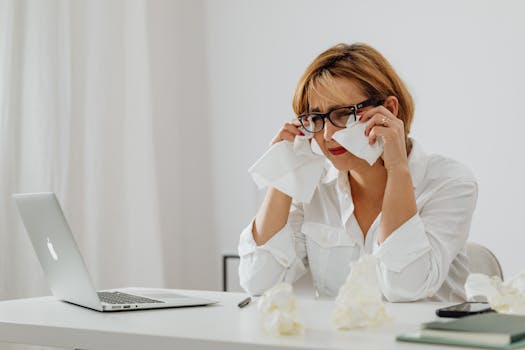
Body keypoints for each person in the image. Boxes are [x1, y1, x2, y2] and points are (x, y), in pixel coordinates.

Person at [238, 43, 477, 302]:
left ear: (389, 110)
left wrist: (397, 169)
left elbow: (403, 287)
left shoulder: (450, 182)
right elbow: (257, 281)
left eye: (342, 114)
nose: (328, 135)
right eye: (317, 119)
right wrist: (283, 171)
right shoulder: (314, 186)